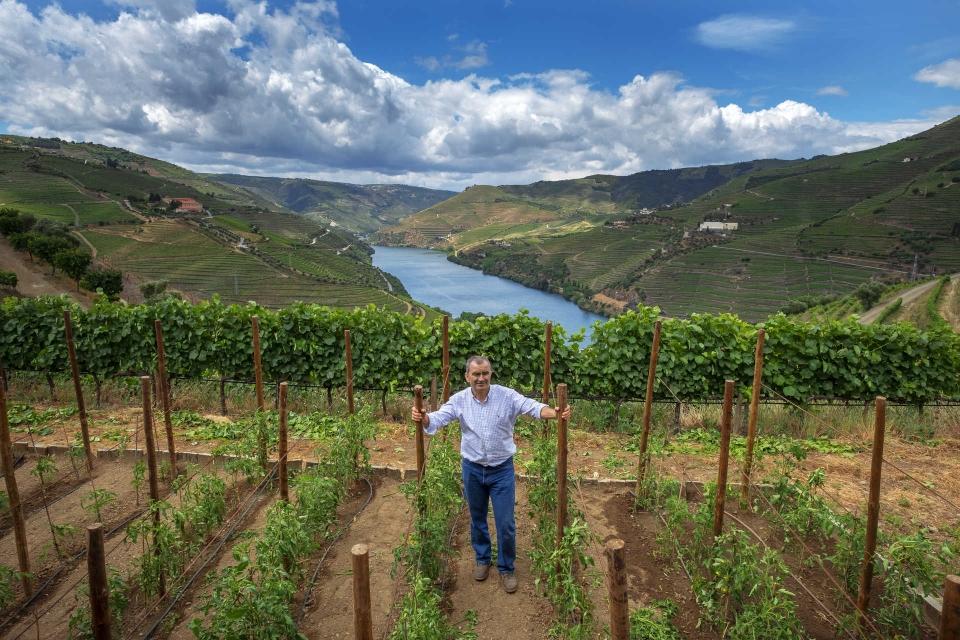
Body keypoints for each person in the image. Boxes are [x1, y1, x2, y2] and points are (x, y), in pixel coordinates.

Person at [410, 355, 572, 594]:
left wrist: (556, 412)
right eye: (476, 374)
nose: (481, 378)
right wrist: (422, 417)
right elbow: (436, 419)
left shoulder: (507, 396)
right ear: (467, 377)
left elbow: (533, 407)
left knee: (506, 523)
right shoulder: (459, 400)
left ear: (490, 375)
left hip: (501, 470)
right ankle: (483, 559)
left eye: (485, 373)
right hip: (472, 469)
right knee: (477, 519)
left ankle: (506, 568)